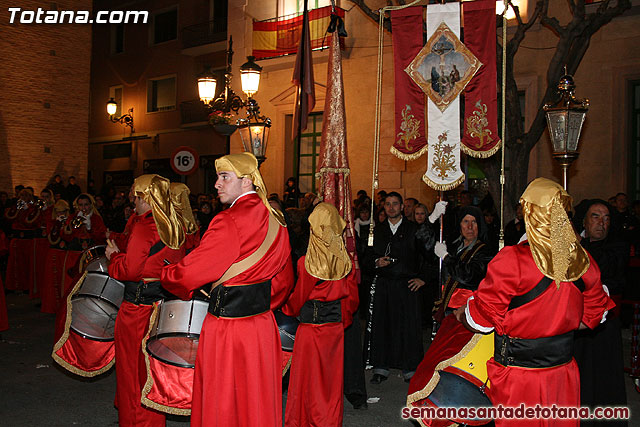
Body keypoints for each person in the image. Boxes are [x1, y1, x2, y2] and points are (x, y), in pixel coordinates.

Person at [454, 178, 614, 427]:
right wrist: (558, 324)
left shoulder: (512, 259)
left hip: (519, 375)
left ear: (531, 212)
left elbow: (482, 321)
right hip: (563, 373)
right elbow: (594, 316)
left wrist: (461, 311)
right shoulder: (583, 262)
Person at [160, 152, 294, 427]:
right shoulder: (276, 220)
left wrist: (167, 275)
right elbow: (284, 281)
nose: (216, 184)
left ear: (247, 181)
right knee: (256, 398)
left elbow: (189, 274)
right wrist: (261, 304)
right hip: (263, 326)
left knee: (223, 399)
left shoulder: (228, 220)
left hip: (228, 328)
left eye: (224, 177)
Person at [105, 174, 187, 427]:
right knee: (152, 370)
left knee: (133, 372)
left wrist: (114, 257)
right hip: (162, 307)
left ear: (146, 197)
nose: (134, 202)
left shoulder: (144, 226)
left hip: (137, 310)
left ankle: (134, 422)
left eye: (137, 196)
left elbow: (129, 270)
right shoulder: (174, 223)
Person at [283, 203, 359, 427]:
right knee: (330, 381)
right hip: (333, 328)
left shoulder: (305, 264)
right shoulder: (347, 264)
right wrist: (341, 321)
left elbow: (298, 298)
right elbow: (351, 301)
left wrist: (288, 311)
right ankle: (328, 421)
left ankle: (303, 420)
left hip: (308, 329)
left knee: (305, 380)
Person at [575, 199, 628, 426]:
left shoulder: (618, 246)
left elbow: (601, 267)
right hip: (578, 326)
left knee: (605, 380)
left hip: (605, 328)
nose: (601, 223)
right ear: (585, 221)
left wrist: (578, 247)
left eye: (606, 218)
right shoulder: (577, 247)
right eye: (595, 216)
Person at [365, 192, 427, 383]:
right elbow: (365, 255)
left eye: (395, 204)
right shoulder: (376, 230)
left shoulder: (414, 229)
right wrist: (376, 262)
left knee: (408, 326)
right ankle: (381, 367)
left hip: (406, 285)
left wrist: (422, 278)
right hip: (384, 285)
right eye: (388, 204)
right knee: (382, 325)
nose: (391, 208)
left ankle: (410, 367)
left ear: (402, 207)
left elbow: (428, 255)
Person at [431, 206, 494, 323]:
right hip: (446, 307)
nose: (469, 227)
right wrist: (432, 218)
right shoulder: (453, 246)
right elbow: (425, 245)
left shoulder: (485, 251)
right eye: (466, 221)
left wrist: (446, 257)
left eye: (473, 222)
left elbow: (469, 275)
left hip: (467, 310)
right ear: (460, 225)